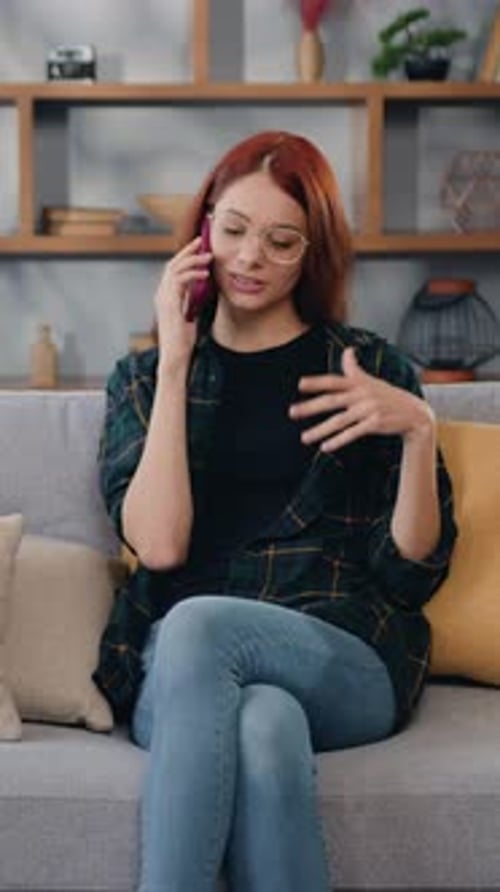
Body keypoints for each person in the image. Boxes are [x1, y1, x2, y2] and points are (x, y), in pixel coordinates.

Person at [93, 130, 457, 892]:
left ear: (311, 252)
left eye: (280, 240)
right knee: (263, 723)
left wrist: (419, 432)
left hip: (343, 654)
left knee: (201, 621)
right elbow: (158, 547)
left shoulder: (368, 368)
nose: (251, 257)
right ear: (201, 233)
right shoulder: (141, 379)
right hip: (182, 673)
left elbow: (411, 574)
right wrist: (174, 360)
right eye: (231, 231)